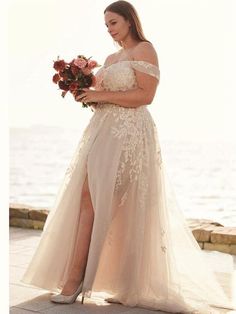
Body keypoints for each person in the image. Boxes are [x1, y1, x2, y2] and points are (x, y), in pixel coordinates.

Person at [21, 1, 235, 313]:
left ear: (130, 21)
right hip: (102, 131)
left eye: (113, 22)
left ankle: (102, 282)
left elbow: (145, 96)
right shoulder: (109, 58)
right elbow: (104, 98)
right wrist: (84, 92)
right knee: (87, 199)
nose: (109, 29)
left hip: (131, 134)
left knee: (118, 206)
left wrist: (99, 95)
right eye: (105, 24)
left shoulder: (145, 49)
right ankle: (79, 278)